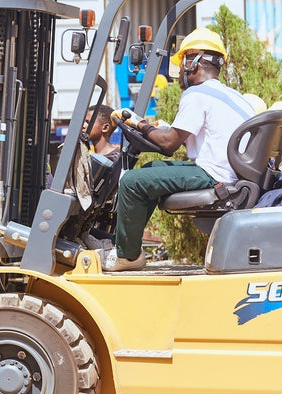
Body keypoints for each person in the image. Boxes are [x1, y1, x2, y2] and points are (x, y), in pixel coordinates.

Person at [106, 28, 255, 271]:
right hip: (229, 173)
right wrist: (159, 128)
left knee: (133, 181)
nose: (180, 69)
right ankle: (129, 246)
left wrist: (139, 123)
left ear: (194, 61)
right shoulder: (232, 96)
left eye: (183, 60)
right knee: (153, 169)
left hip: (213, 175)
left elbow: (168, 144)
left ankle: (128, 256)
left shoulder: (197, 94)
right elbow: (196, 136)